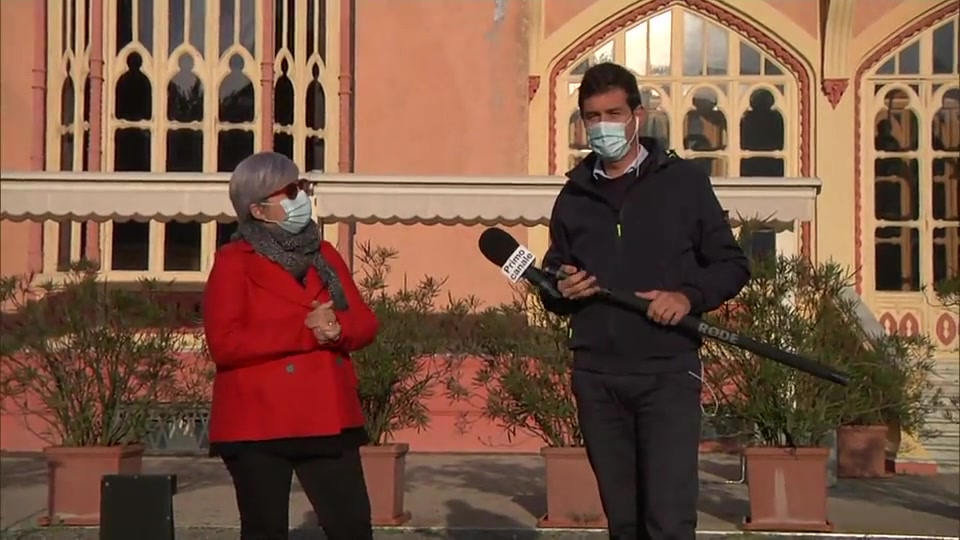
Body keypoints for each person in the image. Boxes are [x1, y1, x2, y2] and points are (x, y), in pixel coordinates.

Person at [540, 63, 750, 540]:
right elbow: (555, 274)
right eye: (592, 117)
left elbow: (732, 265)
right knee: (625, 521)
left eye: (613, 113)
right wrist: (559, 288)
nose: (603, 126)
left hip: (667, 374)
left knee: (668, 519)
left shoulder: (684, 183)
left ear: (639, 115)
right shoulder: (573, 196)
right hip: (596, 376)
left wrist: (687, 296)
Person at [203, 151, 378, 540]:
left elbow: (365, 323)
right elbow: (225, 343)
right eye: (291, 190)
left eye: (302, 187)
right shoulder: (234, 262)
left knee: (352, 527)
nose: (302, 197)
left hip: (328, 415)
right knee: (264, 531)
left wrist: (336, 330)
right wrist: (306, 331)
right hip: (257, 422)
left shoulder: (324, 255)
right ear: (259, 209)